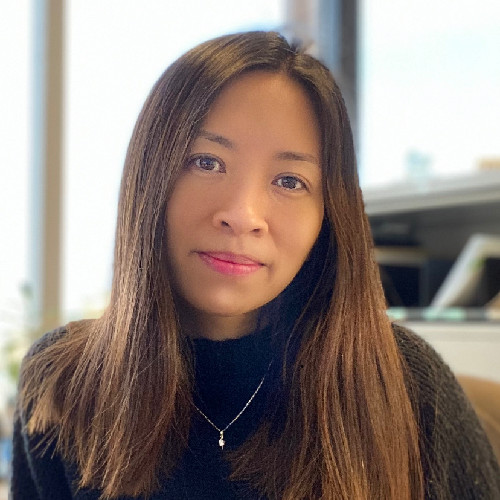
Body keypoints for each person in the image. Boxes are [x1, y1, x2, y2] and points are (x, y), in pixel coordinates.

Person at [10, 31, 500, 500]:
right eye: (206, 162)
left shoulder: (403, 383)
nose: (243, 216)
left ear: (328, 215)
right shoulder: (63, 382)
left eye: (289, 181)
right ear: (149, 177)